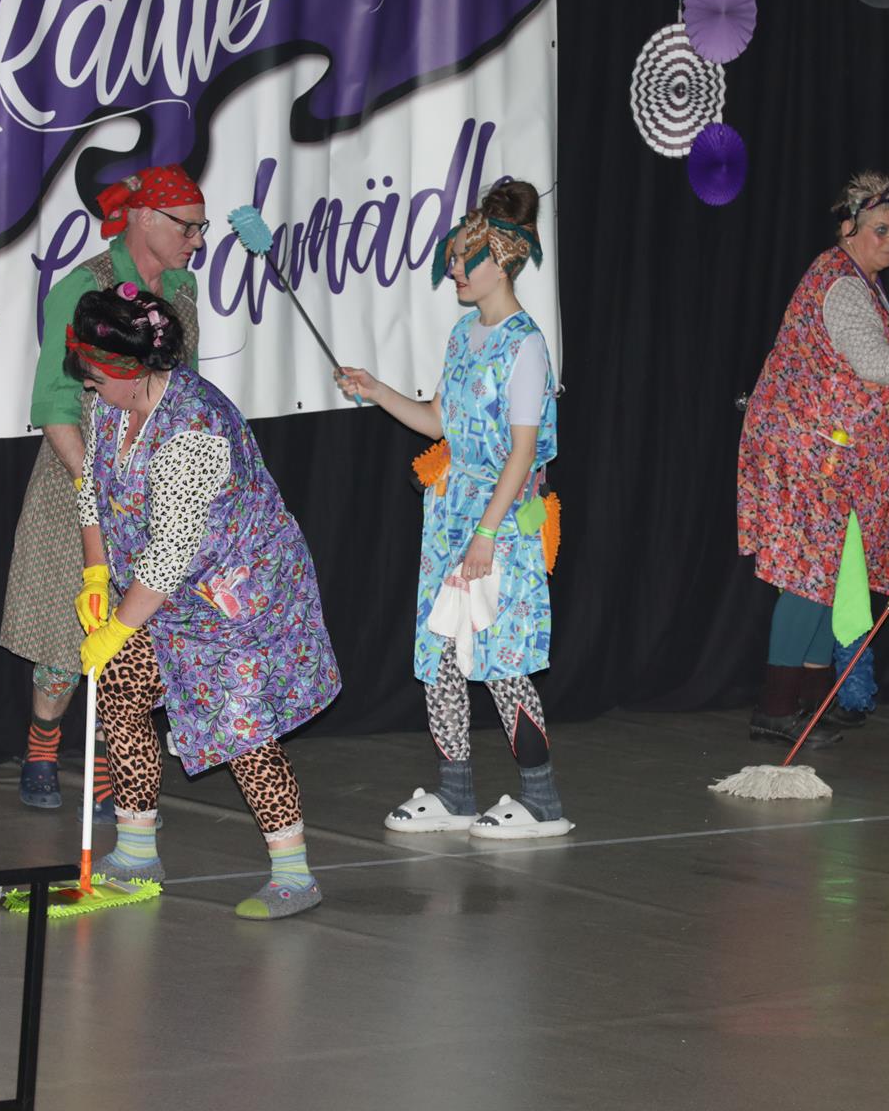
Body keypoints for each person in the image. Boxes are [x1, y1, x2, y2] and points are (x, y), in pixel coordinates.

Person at [69, 284, 341, 919]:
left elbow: (171, 553)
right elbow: (92, 490)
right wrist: (95, 575)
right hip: (160, 592)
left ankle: (294, 872)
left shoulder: (195, 429)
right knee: (121, 687)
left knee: (239, 724)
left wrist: (117, 627)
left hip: (233, 597)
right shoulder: (110, 406)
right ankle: (136, 852)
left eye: (94, 376)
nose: (87, 386)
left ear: (130, 369)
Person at [337, 179, 570, 839]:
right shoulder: (465, 333)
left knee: (500, 658)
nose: (455, 270)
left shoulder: (525, 345)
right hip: (450, 516)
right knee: (440, 655)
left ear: (504, 260)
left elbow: (522, 452)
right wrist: (376, 389)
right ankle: (456, 792)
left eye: (467, 258)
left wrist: (487, 534)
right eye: (455, 257)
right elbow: (440, 420)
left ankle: (542, 801)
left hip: (499, 521)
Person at [0, 164, 205, 814]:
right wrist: (95, 480)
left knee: (131, 633)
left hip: (150, 485)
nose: (197, 240)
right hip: (78, 476)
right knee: (66, 635)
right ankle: (42, 746)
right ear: (143, 218)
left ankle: (107, 755)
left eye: (201, 228)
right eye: (188, 227)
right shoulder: (81, 287)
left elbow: (183, 391)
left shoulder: (182, 289)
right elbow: (55, 403)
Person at [737, 172, 889, 746]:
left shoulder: (868, 287)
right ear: (849, 228)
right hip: (809, 456)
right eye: (880, 229)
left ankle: (811, 704)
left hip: (840, 459)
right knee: (808, 577)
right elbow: (876, 364)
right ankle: (775, 708)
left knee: (833, 579)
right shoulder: (842, 283)